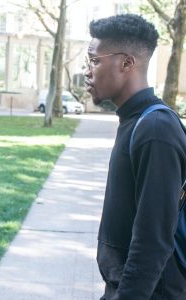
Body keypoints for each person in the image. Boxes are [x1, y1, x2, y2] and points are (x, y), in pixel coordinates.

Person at [85, 14, 186, 299]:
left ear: (126, 63)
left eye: (95, 61)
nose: (87, 72)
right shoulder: (133, 120)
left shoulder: (155, 128)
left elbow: (152, 243)